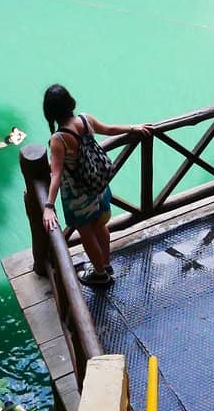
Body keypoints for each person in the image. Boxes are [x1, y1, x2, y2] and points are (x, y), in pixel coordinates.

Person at [42, 84, 152, 289]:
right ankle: (105, 264)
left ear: (50, 112)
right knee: (101, 227)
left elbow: (56, 175)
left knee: (87, 234)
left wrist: (49, 206)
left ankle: (100, 274)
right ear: (70, 102)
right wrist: (133, 128)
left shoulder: (58, 139)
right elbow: (109, 130)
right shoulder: (85, 119)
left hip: (79, 196)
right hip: (99, 187)